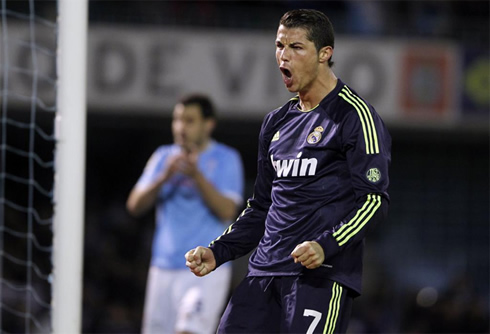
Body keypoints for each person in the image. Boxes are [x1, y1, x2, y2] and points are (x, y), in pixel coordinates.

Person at [185, 9, 391, 334]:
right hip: (263, 273)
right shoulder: (275, 123)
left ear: (325, 54)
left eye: (296, 47)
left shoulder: (354, 116)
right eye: (280, 45)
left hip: (320, 276)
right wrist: (218, 250)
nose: (283, 56)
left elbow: (374, 202)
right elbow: (262, 207)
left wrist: (327, 244)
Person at [127, 94, 244, 334]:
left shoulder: (225, 158)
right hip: (162, 267)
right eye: (177, 120)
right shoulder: (163, 157)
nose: (180, 127)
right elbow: (135, 205)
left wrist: (196, 175)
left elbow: (227, 211)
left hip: (204, 268)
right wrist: (164, 177)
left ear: (208, 124)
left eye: (189, 120)